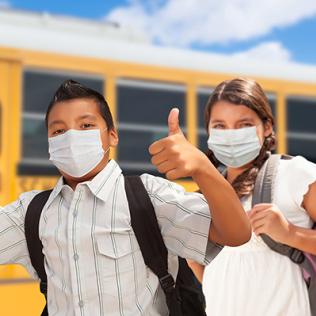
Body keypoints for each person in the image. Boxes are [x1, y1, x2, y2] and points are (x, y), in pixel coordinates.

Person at [0, 80, 250, 315]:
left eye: (86, 126)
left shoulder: (147, 196)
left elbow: (235, 233)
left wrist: (202, 168)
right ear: (49, 144)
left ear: (112, 136)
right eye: (58, 131)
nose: (71, 137)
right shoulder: (30, 213)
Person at [189, 77, 316, 316]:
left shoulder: (294, 174)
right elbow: (206, 270)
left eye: (244, 124)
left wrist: (289, 233)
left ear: (267, 126)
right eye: (220, 126)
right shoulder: (205, 195)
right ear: (208, 131)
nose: (231, 134)